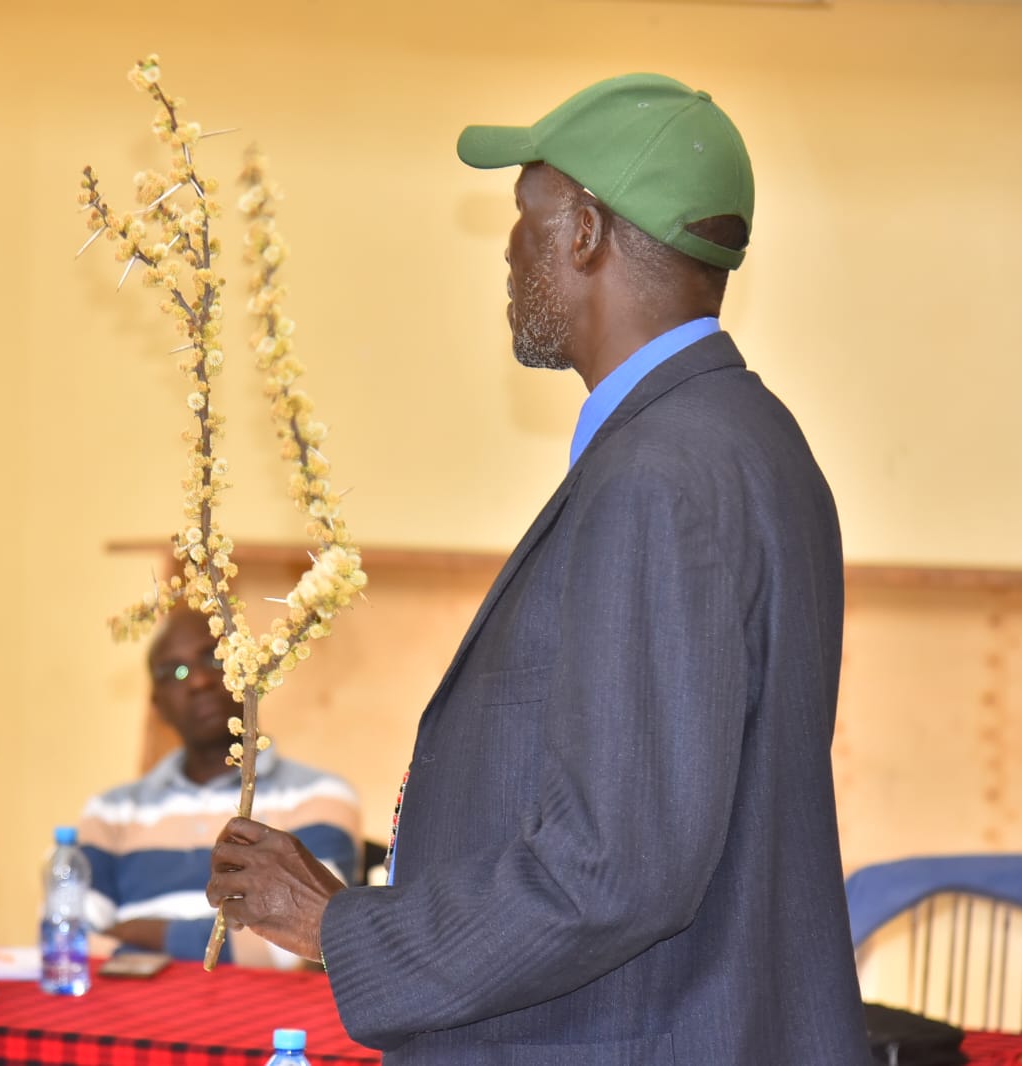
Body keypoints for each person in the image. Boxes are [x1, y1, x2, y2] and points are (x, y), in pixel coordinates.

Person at [205, 73, 869, 1062]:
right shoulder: (759, 442)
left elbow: (617, 868)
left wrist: (336, 927)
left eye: (525, 218)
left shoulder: (657, 477)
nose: (509, 253)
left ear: (587, 232)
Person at [77, 605, 361, 969]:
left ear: (249, 674)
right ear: (157, 706)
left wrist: (149, 934)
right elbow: (70, 939)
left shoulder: (320, 795)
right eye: (175, 671)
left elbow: (307, 940)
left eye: (213, 659)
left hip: (263, 1018)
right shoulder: (111, 811)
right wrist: (224, 949)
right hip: (129, 1016)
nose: (197, 681)